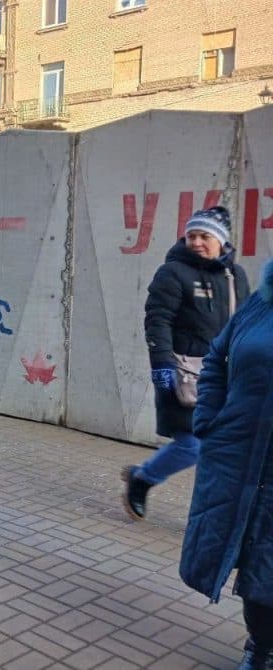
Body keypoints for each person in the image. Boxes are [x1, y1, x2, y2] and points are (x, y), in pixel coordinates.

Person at [122, 206, 249, 520]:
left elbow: (246, 322)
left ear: (221, 240)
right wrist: (161, 362)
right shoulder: (173, 272)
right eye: (192, 235)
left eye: (204, 235)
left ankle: (216, 514)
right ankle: (142, 479)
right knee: (192, 445)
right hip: (184, 373)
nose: (196, 242)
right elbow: (158, 320)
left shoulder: (235, 276)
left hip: (225, 376)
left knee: (223, 449)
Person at [180, 258, 273, 669]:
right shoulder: (261, 304)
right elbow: (217, 358)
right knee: (256, 564)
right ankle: (260, 646)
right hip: (243, 458)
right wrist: (209, 418)